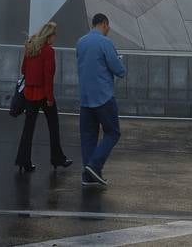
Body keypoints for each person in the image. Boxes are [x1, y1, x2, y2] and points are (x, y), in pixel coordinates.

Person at [15, 21, 73, 173]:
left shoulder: (31, 46)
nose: (55, 38)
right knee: (53, 125)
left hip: (29, 93)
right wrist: (49, 98)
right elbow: (48, 77)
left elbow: (23, 69)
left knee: (28, 128)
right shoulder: (48, 51)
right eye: (54, 35)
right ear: (49, 35)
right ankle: (57, 158)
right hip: (42, 93)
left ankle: (23, 160)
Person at [76, 12, 126, 187]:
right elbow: (118, 69)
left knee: (88, 135)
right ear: (104, 24)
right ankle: (94, 165)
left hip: (85, 97)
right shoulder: (106, 43)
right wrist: (121, 63)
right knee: (113, 132)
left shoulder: (80, 42)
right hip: (103, 97)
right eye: (108, 27)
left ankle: (88, 176)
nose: (108, 30)